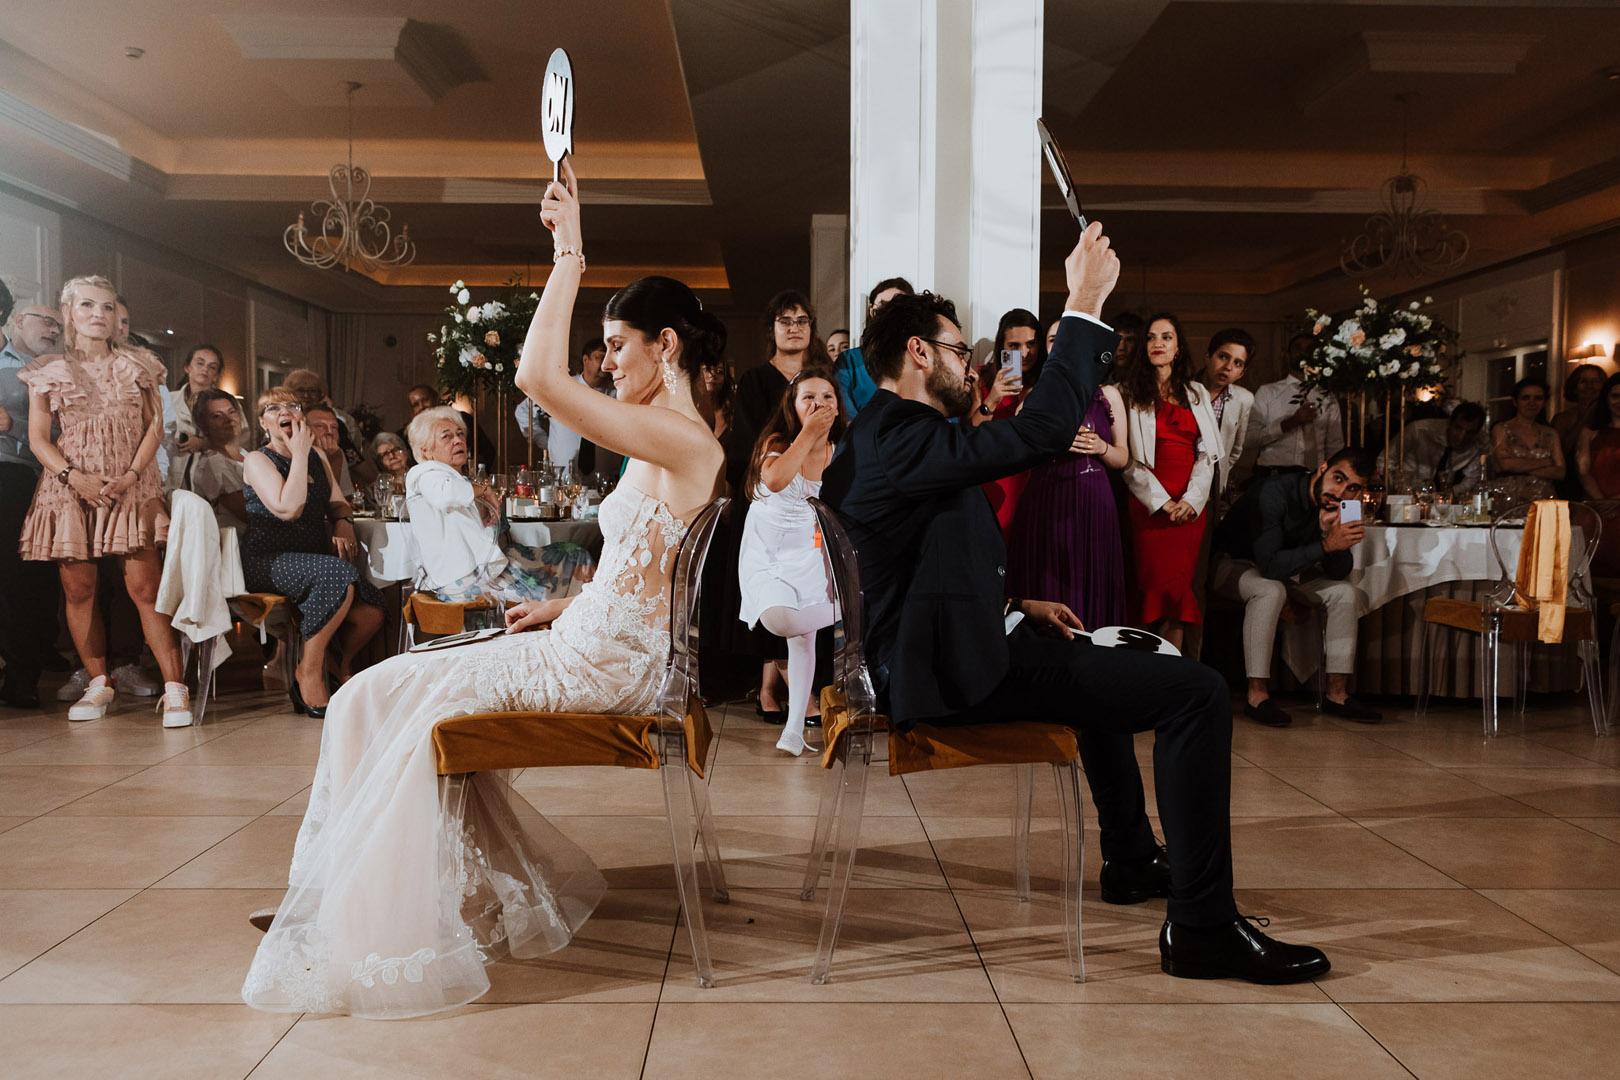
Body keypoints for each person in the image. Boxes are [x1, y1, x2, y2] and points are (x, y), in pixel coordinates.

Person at [243, 162, 731, 1018]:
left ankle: (358, 913)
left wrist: (570, 256)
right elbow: (647, 572)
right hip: (588, 640)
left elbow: (538, 380)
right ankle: (332, 893)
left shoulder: (682, 440)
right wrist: (565, 604)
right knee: (371, 694)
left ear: (668, 345)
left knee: (374, 697)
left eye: (618, 346)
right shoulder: (666, 436)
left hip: (607, 669)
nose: (607, 364)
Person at [821, 222, 1329, 986]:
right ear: (919, 353)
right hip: (938, 675)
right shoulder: (902, 433)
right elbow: (1043, 432)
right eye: (959, 351)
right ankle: (1202, 927)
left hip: (937, 647)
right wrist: (1085, 300)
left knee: (1091, 654)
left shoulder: (888, 434)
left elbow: (912, 558)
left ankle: (1130, 856)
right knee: (1196, 693)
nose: (973, 366)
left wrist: (1016, 603)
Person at [18, 275, 191, 726]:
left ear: (117, 317)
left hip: (131, 485)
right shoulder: (47, 369)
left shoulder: (140, 365)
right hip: (71, 488)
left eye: (107, 307)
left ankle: (175, 688)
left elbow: (154, 427)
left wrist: (131, 475)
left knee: (145, 589)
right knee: (79, 591)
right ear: (69, 313)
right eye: (87, 305)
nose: (99, 314)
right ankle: (98, 684)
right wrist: (74, 477)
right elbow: (38, 438)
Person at [241, 388, 384, 717]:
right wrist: (299, 453)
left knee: (372, 610)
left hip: (312, 558)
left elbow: (337, 502)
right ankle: (308, 671)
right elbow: (289, 508)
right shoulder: (258, 459)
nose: (284, 411)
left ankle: (336, 665)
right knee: (338, 574)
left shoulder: (317, 456)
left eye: (291, 406)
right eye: (273, 408)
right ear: (263, 423)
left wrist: (344, 522)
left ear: (301, 416)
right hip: (269, 560)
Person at [1211, 449, 1378, 726]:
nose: (1340, 492)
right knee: (1270, 590)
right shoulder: (1275, 492)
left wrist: (1329, 535)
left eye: (1352, 488)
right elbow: (1269, 566)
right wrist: (1325, 545)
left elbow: (1338, 572)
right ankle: (1257, 696)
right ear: (1322, 469)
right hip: (1232, 562)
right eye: (1337, 478)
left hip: (1286, 570)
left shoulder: (1337, 505)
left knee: (1345, 592)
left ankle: (1337, 694)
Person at [722, 290, 822, 720]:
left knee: (803, 588)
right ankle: (778, 689)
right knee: (771, 588)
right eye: (786, 321)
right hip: (767, 496)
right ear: (772, 329)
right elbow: (750, 443)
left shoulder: (820, 376)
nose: (795, 328)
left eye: (802, 320)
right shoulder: (755, 380)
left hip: (809, 496)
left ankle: (775, 685)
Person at [737, 367, 842, 755]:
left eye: (827, 397)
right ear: (792, 406)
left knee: (803, 639)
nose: (818, 404)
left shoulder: (839, 450)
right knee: (781, 621)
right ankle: (853, 610)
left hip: (809, 551)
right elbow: (776, 480)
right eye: (808, 397)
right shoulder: (778, 443)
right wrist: (809, 433)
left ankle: (794, 730)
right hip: (767, 551)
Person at [1004, 329, 1130, 630]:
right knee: (1048, 580)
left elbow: (1123, 457)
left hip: (1094, 503)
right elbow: (1016, 451)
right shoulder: (1035, 396)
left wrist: (1102, 447)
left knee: (1093, 579)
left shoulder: (1108, 395)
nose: (1062, 343)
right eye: (1053, 339)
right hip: (1047, 500)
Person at [405, 406, 591, 603]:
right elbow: (447, 495)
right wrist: (486, 490)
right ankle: (575, 614)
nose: (458, 440)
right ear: (426, 450)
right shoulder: (425, 473)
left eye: (460, 434)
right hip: (467, 581)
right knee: (573, 560)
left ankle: (576, 614)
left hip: (480, 571)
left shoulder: (454, 479)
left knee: (573, 554)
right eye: (446, 436)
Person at [1120, 313, 1223, 652]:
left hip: (1189, 509)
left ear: (1178, 347)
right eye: (1151, 337)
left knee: (1178, 594)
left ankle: (1172, 673)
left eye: (1166, 337)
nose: (1158, 343)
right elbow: (1128, 459)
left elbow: (1207, 454)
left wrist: (1192, 500)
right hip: (1149, 506)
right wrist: (1162, 502)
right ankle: (1139, 673)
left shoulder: (1196, 392)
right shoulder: (1128, 391)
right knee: (1149, 591)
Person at [0, 292, 64, 707]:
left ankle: (22, 675)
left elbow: (63, 433)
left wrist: (14, 427)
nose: (54, 329)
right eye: (46, 320)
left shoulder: (39, 370)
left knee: (17, 580)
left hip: (14, 474)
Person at [973, 309, 1048, 535]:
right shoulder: (981, 379)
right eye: (1014, 346)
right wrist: (993, 398)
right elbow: (971, 435)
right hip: (995, 478)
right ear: (1002, 348)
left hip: (1038, 480)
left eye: (1031, 344)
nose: (1024, 353)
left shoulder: (1047, 382)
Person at [515, 336, 618, 475]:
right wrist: (545, 442)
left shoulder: (617, 394)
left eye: (608, 358)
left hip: (604, 474)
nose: (605, 363)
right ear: (585, 359)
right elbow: (523, 412)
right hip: (563, 473)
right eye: (600, 357)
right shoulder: (562, 389)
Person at [1247, 333, 1344, 480]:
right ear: (1287, 355)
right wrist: (1290, 423)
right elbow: (1250, 438)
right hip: (1273, 477)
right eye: (1298, 348)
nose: (1303, 353)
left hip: (1314, 477)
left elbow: (1335, 446)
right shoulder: (1267, 392)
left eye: (1309, 349)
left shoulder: (1327, 398)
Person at [282, 368, 378, 488]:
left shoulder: (334, 423)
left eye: (312, 391)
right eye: (300, 390)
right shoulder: (283, 423)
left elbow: (354, 459)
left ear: (320, 395)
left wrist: (378, 480)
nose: (306, 395)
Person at [833, 276, 913, 416]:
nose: (888, 315)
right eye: (882, 307)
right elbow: (846, 419)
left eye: (897, 308)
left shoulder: (922, 358)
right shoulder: (849, 361)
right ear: (871, 311)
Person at [175, 388, 249, 530]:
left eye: (232, 412)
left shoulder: (245, 454)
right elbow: (247, 513)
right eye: (217, 416)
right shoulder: (214, 463)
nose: (229, 419)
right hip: (239, 540)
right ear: (204, 425)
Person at [1377, 403, 1488, 498]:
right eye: (1458, 428)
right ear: (1450, 423)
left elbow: (1472, 478)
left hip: (1440, 500)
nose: (1461, 437)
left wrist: (1450, 492)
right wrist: (1398, 486)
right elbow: (1384, 459)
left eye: (1470, 432)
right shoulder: (1418, 430)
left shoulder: (1478, 443)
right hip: (1406, 495)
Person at [1202, 328, 1255, 513]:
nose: (1228, 367)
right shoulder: (1182, 390)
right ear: (1208, 357)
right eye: (1223, 356)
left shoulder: (1243, 399)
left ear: (1242, 373)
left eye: (1237, 363)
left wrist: (1219, 475)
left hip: (1213, 489)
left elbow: (1235, 451)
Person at [1489, 377, 1564, 504]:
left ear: (1544, 402)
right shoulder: (1501, 429)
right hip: (1510, 499)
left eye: (1538, 398)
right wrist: (1546, 462)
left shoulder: (1551, 433)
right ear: (1515, 401)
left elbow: (1560, 473)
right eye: (1525, 398)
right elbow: (1504, 465)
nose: (1532, 402)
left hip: (1544, 499)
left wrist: (1518, 465)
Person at [167, 344, 240, 469]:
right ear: (187, 367)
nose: (205, 369)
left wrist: (204, 443)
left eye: (212, 367)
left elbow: (239, 439)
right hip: (171, 469)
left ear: (216, 375)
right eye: (200, 363)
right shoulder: (168, 400)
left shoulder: (227, 404)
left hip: (212, 470)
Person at [1576, 372, 1620, 576]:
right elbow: (1582, 470)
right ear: (1606, 398)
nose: (1619, 402)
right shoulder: (1590, 431)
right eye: (1615, 396)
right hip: (1594, 509)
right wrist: (1602, 502)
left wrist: (1616, 501)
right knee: (1589, 571)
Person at [1556, 363, 1606, 497]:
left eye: (1595, 381)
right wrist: (1584, 418)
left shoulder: (1610, 418)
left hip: (1603, 481)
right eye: (1583, 381)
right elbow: (1560, 454)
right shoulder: (1563, 418)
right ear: (1574, 386)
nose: (1590, 386)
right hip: (1570, 484)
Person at [303, 403, 354, 500]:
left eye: (334, 427)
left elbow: (344, 497)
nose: (329, 432)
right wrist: (331, 461)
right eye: (320, 426)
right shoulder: (295, 455)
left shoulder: (336, 452)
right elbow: (317, 501)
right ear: (304, 429)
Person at [1104, 311, 1144, 385]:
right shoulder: (1099, 383)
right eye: (1116, 340)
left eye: (1129, 340)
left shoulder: (1150, 383)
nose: (1122, 348)